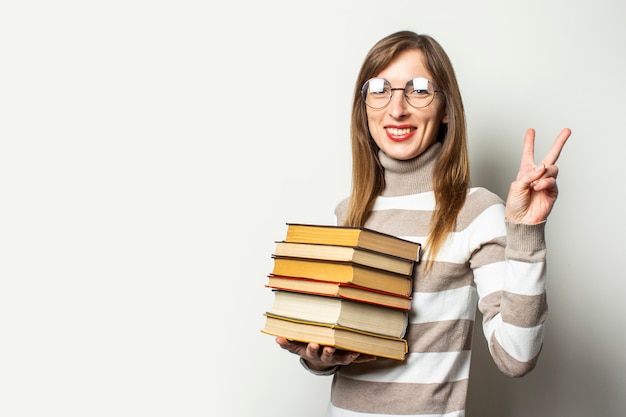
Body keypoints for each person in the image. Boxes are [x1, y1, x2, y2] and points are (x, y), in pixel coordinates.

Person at [275, 30, 570, 417]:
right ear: (364, 107)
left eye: (418, 90)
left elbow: (516, 357)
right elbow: (336, 349)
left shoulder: (476, 211)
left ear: (446, 109)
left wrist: (526, 233)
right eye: (379, 89)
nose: (397, 109)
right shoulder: (347, 213)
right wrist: (319, 356)